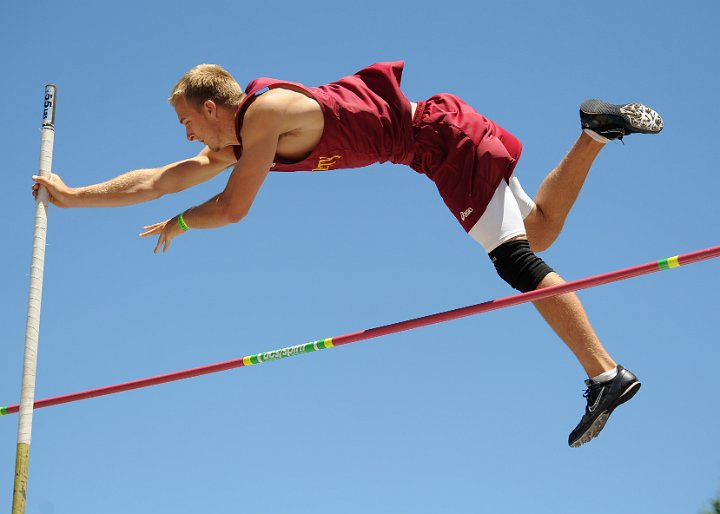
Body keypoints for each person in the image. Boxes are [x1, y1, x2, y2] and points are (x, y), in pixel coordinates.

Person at [32, 61, 663, 447]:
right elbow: (162, 178)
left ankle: (606, 375)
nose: (187, 134)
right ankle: (593, 131)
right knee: (538, 232)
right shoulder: (245, 138)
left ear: (210, 106)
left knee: (515, 257)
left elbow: (231, 208)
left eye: (186, 121)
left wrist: (182, 224)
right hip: (436, 138)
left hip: (437, 140)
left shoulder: (264, 117)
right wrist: (73, 197)